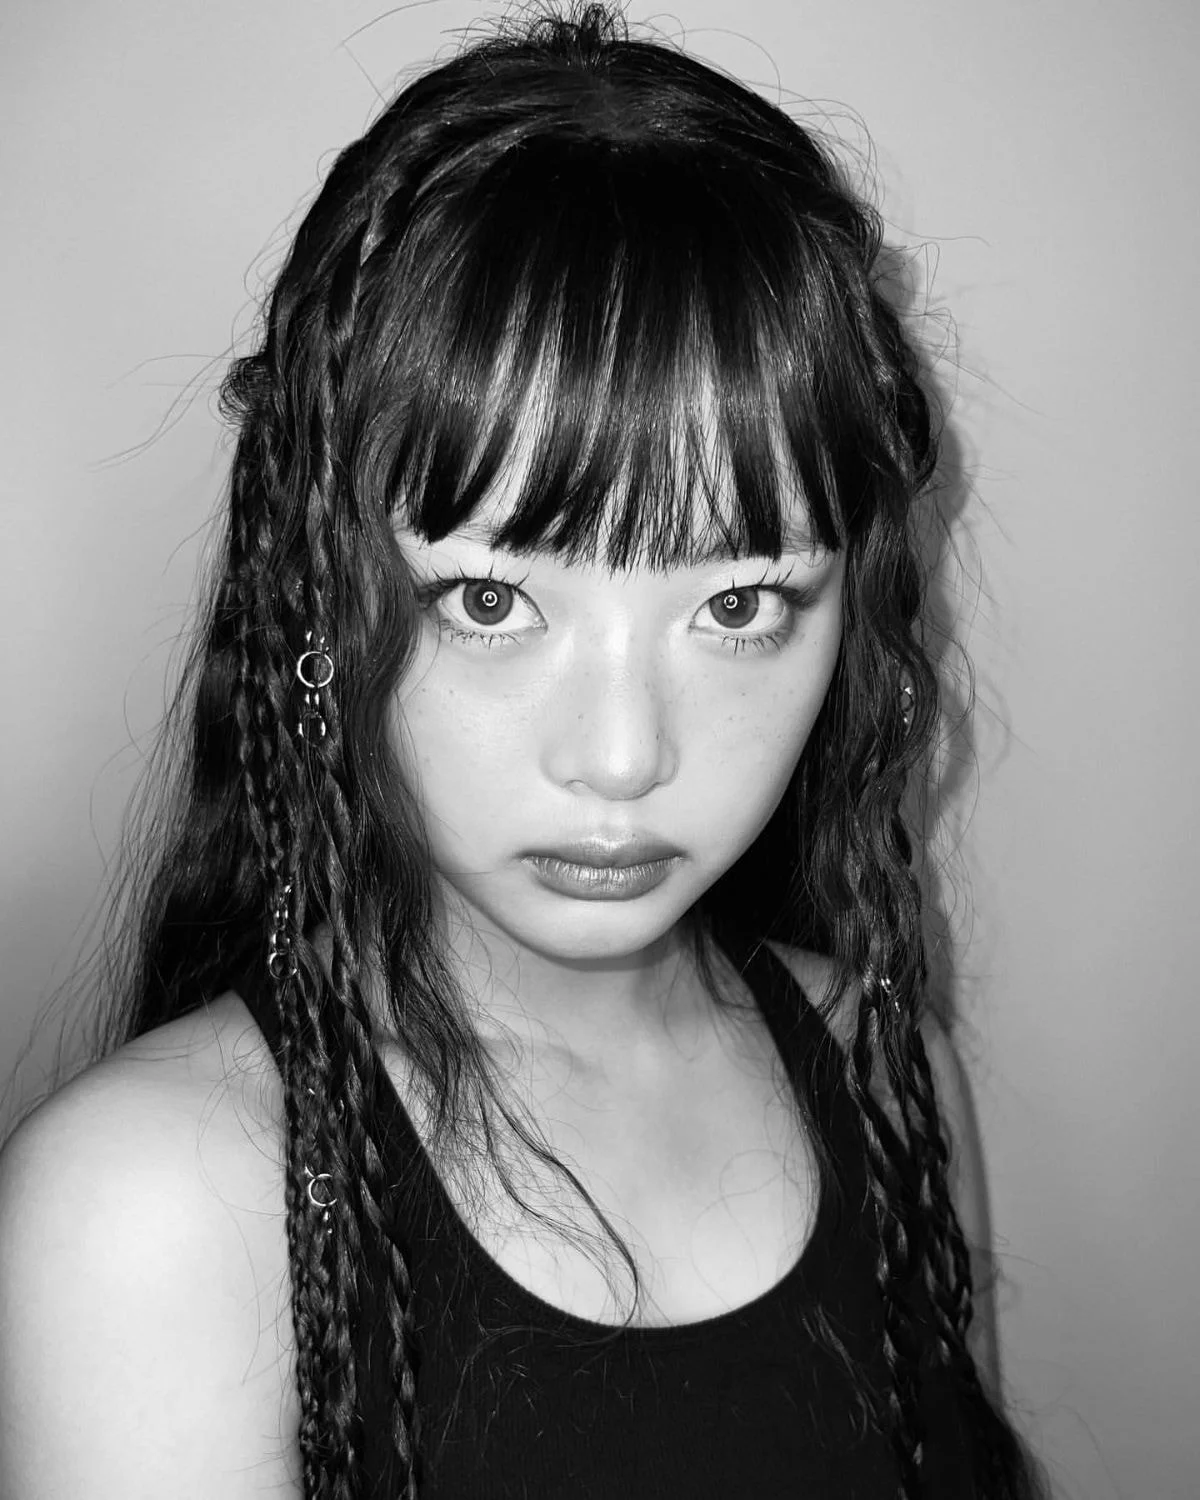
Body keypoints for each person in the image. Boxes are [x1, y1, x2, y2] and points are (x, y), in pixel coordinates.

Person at [0, 5, 1050, 1497]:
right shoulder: (149, 1213)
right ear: (323, 597)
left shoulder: (889, 1071)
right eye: (491, 602)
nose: (622, 758)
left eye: (739, 605)